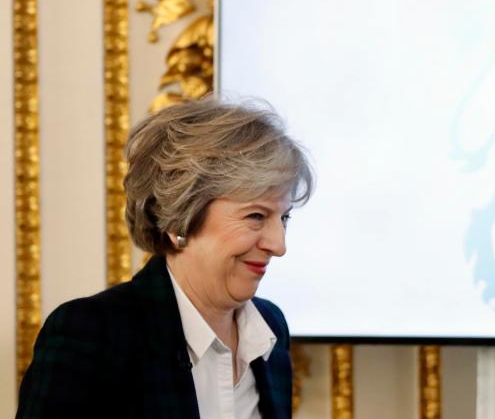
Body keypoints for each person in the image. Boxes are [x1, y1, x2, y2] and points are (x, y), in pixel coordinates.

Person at [16, 97, 313, 419]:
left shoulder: (270, 327)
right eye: (256, 216)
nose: (278, 245)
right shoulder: (93, 332)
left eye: (283, 218)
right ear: (178, 221)